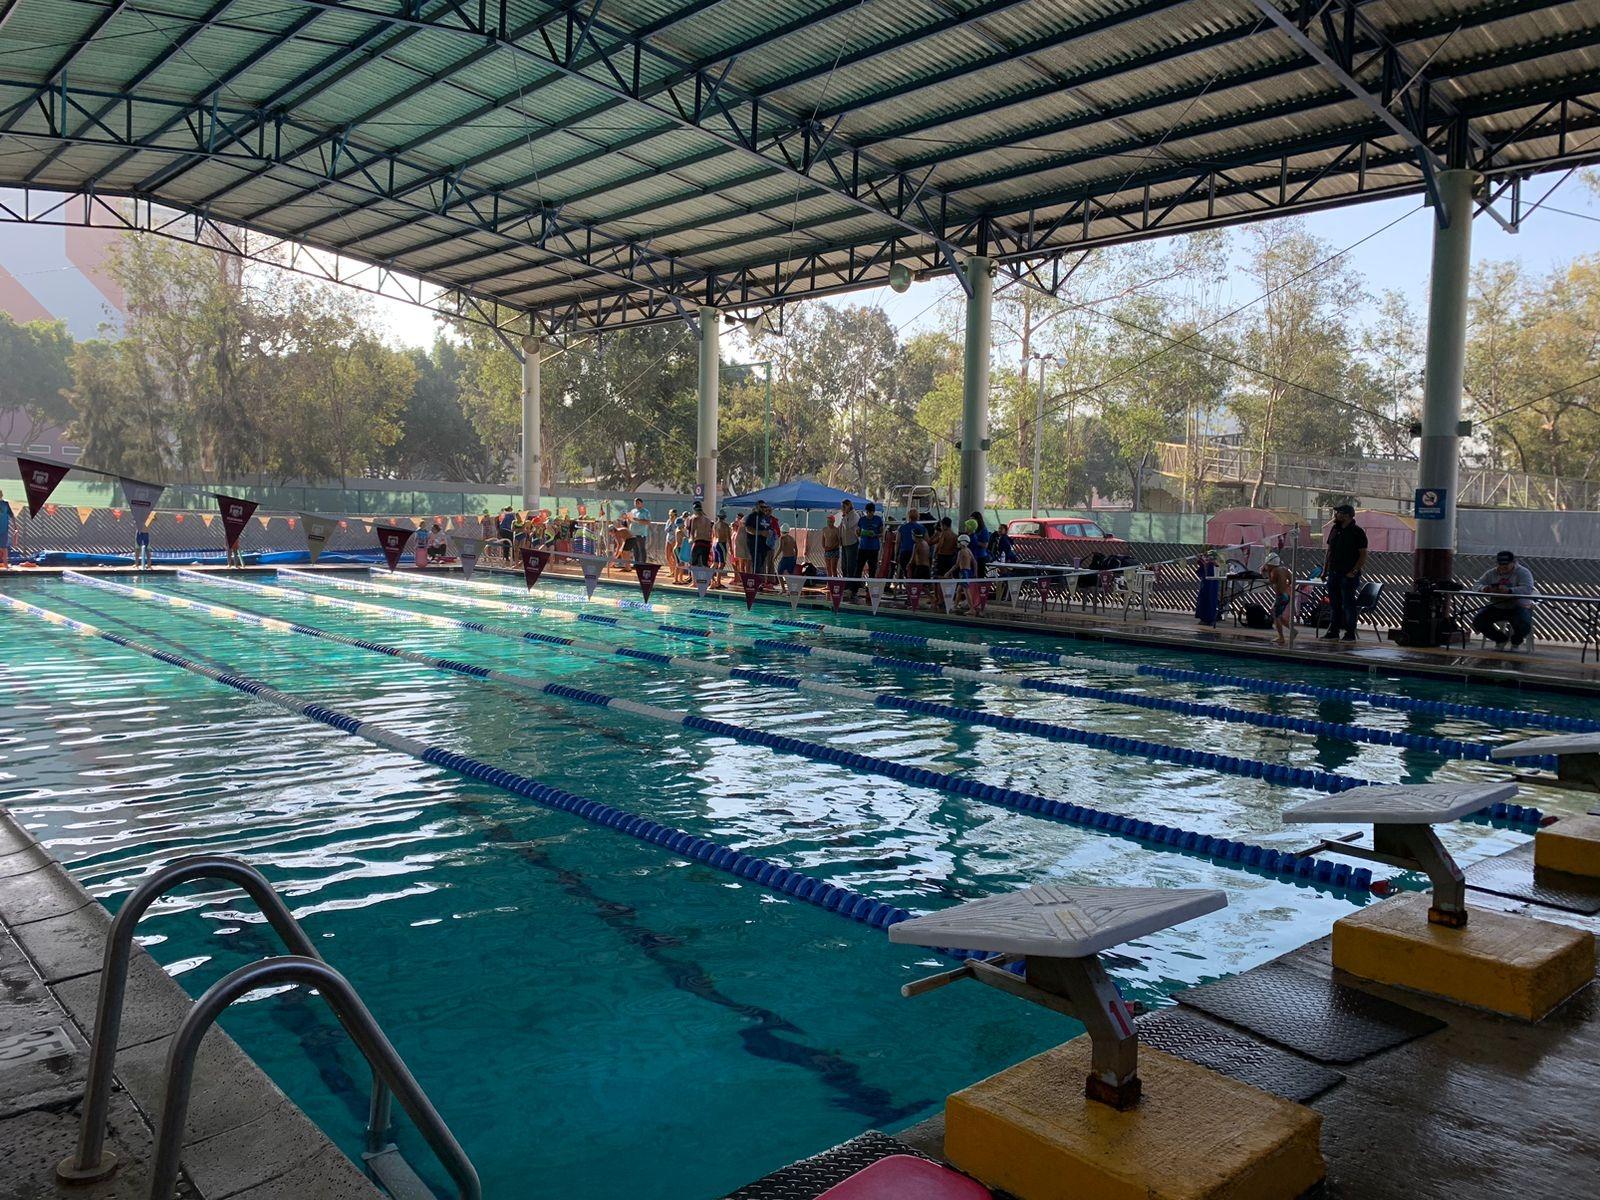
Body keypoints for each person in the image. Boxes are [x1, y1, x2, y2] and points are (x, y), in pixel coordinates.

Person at [1470, 550, 1536, 652]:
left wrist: (1510, 591)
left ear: (1514, 562)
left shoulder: (1523, 572)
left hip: (1518, 606)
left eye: (1506, 564)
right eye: (1500, 564)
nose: (1503, 567)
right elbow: (1476, 585)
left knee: (1524, 625)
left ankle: (1516, 641)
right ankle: (1500, 639)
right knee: (1478, 621)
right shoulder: (1491, 573)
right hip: (1497, 606)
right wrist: (1485, 588)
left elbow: (1527, 589)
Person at [1321, 503, 1368, 641]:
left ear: (1347, 515)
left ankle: (1349, 632)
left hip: (1348, 575)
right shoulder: (1335, 529)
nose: (1336, 515)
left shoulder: (1357, 532)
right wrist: (1325, 569)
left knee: (1348, 604)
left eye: (1339, 513)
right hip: (1333, 572)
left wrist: (1354, 571)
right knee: (1334, 604)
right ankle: (1333, 631)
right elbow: (1329, 551)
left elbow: (1363, 554)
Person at [1262, 552, 1294, 646]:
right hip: (1286, 595)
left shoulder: (1274, 571)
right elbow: (1291, 579)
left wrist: (1265, 572)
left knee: (1276, 616)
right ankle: (1292, 630)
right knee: (1277, 614)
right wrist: (1286, 586)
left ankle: (1281, 637)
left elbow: (1271, 581)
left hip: (1281, 596)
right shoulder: (1284, 569)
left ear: (1270, 564)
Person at [855, 501, 884, 601]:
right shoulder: (862, 520)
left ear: (874, 512)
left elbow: (882, 533)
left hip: (873, 548)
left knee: (872, 570)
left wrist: (875, 535)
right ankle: (855, 589)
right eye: (868, 512)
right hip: (863, 547)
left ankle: (870, 591)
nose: (869, 514)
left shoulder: (878, 520)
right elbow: (857, 532)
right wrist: (859, 533)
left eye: (871, 512)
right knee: (858, 568)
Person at [838, 498, 860, 583]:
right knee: (844, 566)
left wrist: (845, 515)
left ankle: (851, 585)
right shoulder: (844, 516)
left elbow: (848, 527)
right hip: (844, 544)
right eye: (842, 507)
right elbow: (840, 528)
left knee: (850, 566)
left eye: (844, 506)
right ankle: (845, 583)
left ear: (849, 506)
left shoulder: (854, 515)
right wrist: (840, 538)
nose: (842, 508)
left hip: (852, 544)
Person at [626, 496, 652, 566]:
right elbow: (629, 520)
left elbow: (648, 522)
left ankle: (642, 563)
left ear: (641, 504)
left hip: (641, 534)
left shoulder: (645, 512)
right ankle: (636, 563)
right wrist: (628, 519)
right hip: (633, 533)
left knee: (641, 549)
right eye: (635, 503)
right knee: (635, 550)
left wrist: (637, 520)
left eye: (638, 502)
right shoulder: (633, 511)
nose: (636, 504)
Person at [687, 502, 713, 570]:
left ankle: (694, 580)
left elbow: (692, 533)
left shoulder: (695, 519)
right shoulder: (708, 519)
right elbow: (711, 532)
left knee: (693, 564)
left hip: (698, 542)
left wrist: (691, 541)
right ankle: (706, 579)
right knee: (705, 564)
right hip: (707, 543)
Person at [896, 507, 920, 579]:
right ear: (918, 517)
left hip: (905, 553)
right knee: (915, 573)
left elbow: (898, 542)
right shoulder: (921, 528)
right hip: (917, 553)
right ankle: (914, 588)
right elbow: (926, 541)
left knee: (907, 573)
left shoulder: (902, 528)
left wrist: (896, 554)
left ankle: (909, 587)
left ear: (908, 516)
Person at [712, 511, 731, 586]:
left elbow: (713, 536)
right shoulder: (725, 525)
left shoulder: (715, 525)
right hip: (721, 544)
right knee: (722, 563)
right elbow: (728, 537)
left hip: (715, 544)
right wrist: (731, 549)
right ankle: (718, 582)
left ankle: (711, 579)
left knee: (715, 563)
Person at [820, 513, 841, 580]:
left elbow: (839, 542)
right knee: (828, 569)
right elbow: (823, 540)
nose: (829, 523)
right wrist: (824, 547)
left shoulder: (836, 530)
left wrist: (832, 547)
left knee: (833, 569)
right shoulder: (824, 529)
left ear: (833, 522)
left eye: (830, 521)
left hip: (834, 551)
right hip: (827, 551)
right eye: (828, 521)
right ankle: (829, 584)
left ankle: (835, 584)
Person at [0, 488, 12, 569]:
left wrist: (15, 527)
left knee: (4, 548)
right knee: (4, 548)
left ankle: (5, 565)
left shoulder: (5, 504)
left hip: (4, 530)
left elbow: (11, 515)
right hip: (4, 530)